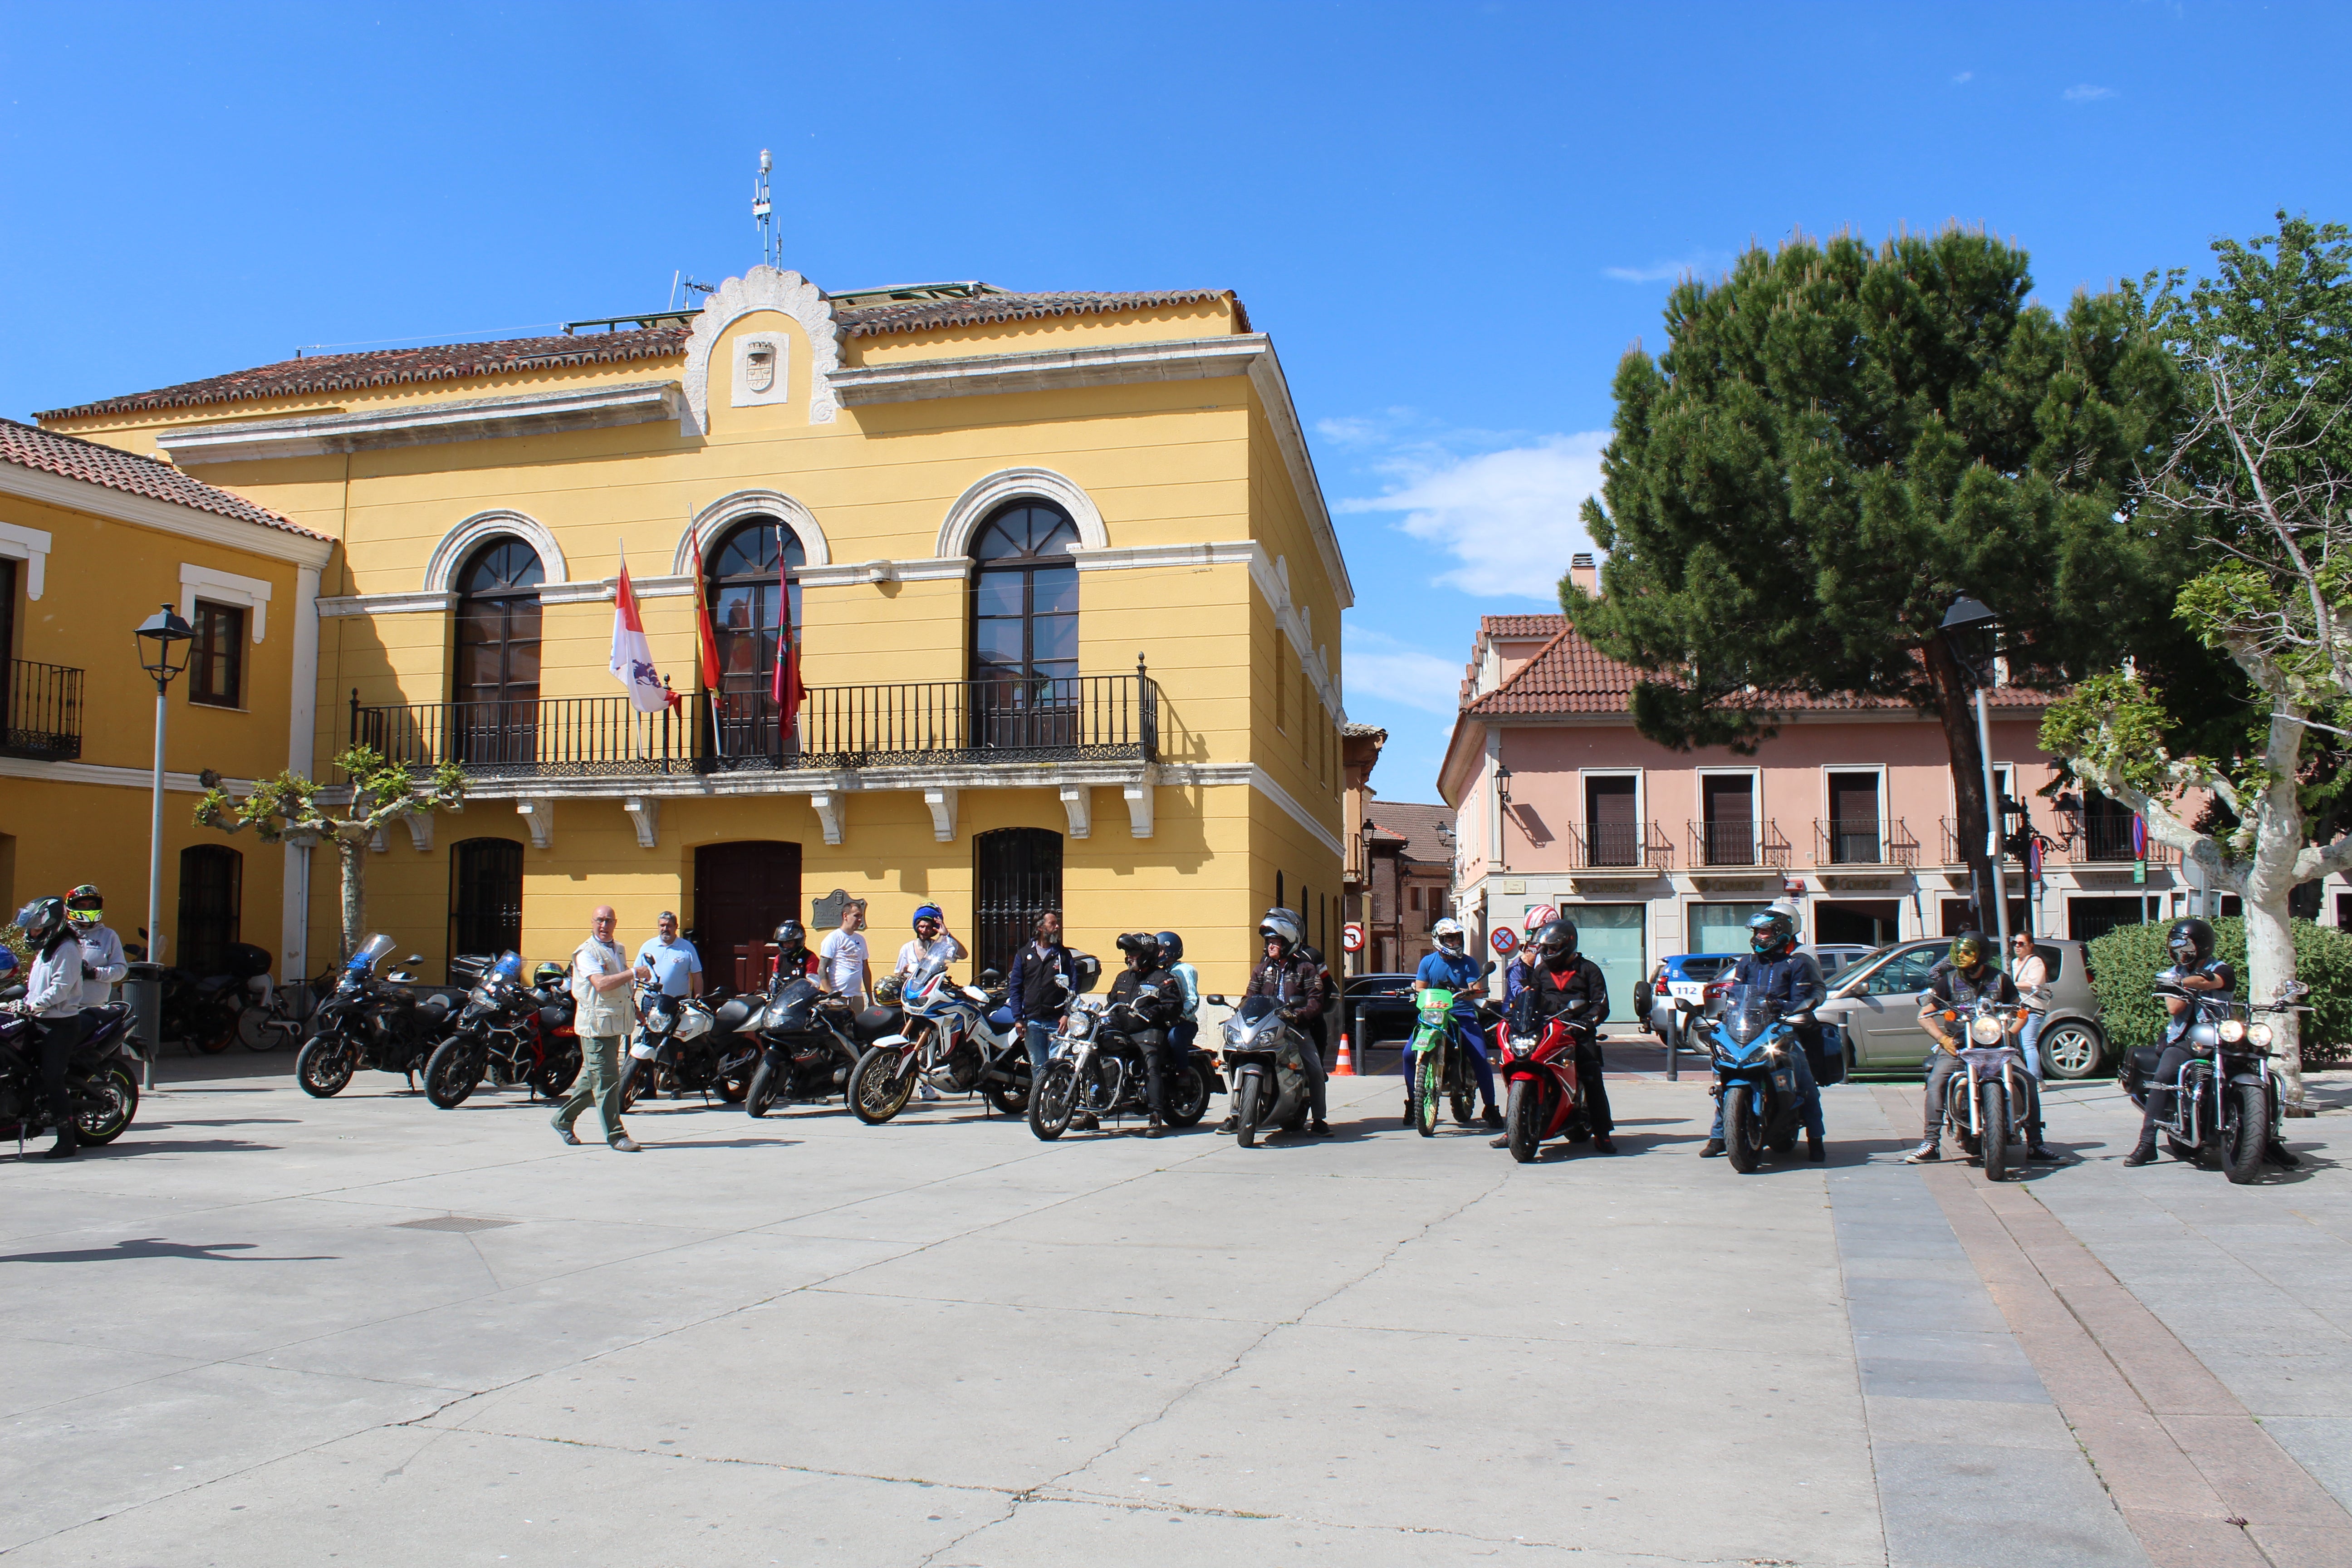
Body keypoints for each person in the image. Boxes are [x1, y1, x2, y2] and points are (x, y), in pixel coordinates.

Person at [2122, 917, 2295, 1168]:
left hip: (2223, 1035)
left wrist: (2183, 983)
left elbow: (2213, 981)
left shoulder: (2222, 968)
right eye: (2176, 946)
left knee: (2263, 1073)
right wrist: (2182, 983)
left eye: (2185, 947)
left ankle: (2269, 1140)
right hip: (2185, 1038)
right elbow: (2174, 1006)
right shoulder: (2171, 974)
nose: (2180, 953)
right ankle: (2147, 1143)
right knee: (2164, 1075)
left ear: (2201, 946)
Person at [1906, 931, 2050, 1163]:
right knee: (1936, 1081)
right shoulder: (1948, 980)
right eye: (1959, 951)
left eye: (1967, 951)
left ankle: (2036, 1143)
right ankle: (1931, 1143)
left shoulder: (2001, 979)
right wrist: (1944, 1040)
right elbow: (1925, 1015)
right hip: (1959, 1045)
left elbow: (2020, 1011)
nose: (1961, 956)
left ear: (1981, 954)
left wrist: (2010, 1034)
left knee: (2028, 1080)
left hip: (1998, 1046)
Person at [1699, 910, 1826, 1162]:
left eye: (1764, 932)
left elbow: (1801, 999)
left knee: (1806, 1082)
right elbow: (1736, 996)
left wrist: (1783, 1007)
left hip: (1782, 1029)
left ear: (1779, 933)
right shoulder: (1746, 963)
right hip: (1750, 1030)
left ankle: (1816, 1138)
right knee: (1725, 1078)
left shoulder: (1796, 963)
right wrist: (1726, 1013)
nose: (1758, 937)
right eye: (1756, 932)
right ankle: (1719, 1137)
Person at [1492, 919, 1617, 1154]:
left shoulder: (1589, 970)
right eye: (1544, 948)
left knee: (1591, 1075)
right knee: (1520, 1062)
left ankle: (1602, 1133)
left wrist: (1587, 1022)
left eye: (1551, 948)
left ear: (1566, 946)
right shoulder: (1541, 971)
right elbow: (1532, 1000)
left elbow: (1601, 1004)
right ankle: (1513, 1128)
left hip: (1576, 1031)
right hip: (1546, 1030)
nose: (1546, 953)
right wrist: (1516, 1014)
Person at [1230, 907, 1330, 1137]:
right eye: (1268, 942)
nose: (1270, 946)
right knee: (1236, 1056)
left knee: (1314, 1069)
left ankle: (1319, 1119)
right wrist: (1240, 1013)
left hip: (1296, 1029)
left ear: (1287, 943)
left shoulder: (1306, 969)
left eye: (1275, 941)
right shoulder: (1261, 970)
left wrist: (1298, 1015)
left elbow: (1316, 1001)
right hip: (1266, 1027)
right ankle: (1236, 1114)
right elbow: (1250, 996)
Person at [554, 906, 646, 1152]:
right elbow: (602, 984)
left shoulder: (619, 949)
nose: (604, 925)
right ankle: (617, 1136)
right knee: (607, 1082)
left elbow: (621, 985)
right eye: (600, 921)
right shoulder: (586, 953)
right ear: (592, 922)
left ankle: (562, 1120)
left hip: (614, 1023)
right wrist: (633, 973)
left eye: (609, 921)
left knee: (593, 1080)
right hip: (595, 1027)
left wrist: (635, 1008)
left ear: (616, 923)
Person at [1408, 916, 1501, 1129]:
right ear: (1439, 940)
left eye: (1458, 939)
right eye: (1450, 939)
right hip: (1434, 1016)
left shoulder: (1468, 963)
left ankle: (1491, 1108)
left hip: (1463, 1015)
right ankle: (1412, 1103)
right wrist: (1419, 992)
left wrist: (1468, 992)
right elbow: (1420, 987)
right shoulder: (1428, 962)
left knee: (1480, 1056)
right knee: (1406, 1054)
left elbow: (1473, 989)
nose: (1455, 943)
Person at [15, 897, 88, 1159]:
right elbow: (35, 986)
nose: (32, 933)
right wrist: (21, 1003)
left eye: (36, 928)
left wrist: (34, 1005)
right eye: (30, 928)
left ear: (52, 927)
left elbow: (61, 988)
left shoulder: (67, 949)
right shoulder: (46, 950)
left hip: (60, 1024)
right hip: (39, 1020)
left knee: (52, 1077)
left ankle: (67, 1140)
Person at [1108, 931, 1183, 1137]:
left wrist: (1154, 1011)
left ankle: (1156, 1117)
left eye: (1133, 951)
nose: (1129, 956)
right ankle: (1093, 1110)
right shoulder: (1123, 977)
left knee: (1150, 1063)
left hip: (1149, 1029)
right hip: (1123, 1029)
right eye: (1128, 952)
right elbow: (1112, 1001)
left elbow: (1175, 1006)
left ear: (1147, 953)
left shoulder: (1163, 979)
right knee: (1096, 1052)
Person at [894, 904, 968, 1101]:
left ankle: (925, 1086)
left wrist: (947, 934)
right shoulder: (907, 948)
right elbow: (898, 973)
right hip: (912, 1002)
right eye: (922, 926)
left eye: (929, 927)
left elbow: (963, 954)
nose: (925, 930)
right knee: (908, 1041)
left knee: (930, 1044)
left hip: (932, 1001)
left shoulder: (941, 946)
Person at [1007, 910, 1078, 1080]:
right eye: (1052, 924)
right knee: (1038, 1068)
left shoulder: (1063, 955)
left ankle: (1054, 1104)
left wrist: (1067, 1015)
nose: (1057, 927)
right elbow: (1015, 989)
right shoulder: (1024, 955)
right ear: (1040, 927)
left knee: (1056, 1067)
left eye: (1056, 923)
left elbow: (1074, 987)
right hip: (1033, 1022)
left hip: (1057, 1023)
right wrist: (1018, 1018)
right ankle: (1040, 1105)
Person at [64, 885, 127, 1012]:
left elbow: (121, 970)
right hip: (63, 1007)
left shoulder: (108, 936)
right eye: (82, 905)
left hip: (94, 1007)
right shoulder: (62, 935)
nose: (88, 909)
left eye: (92, 905)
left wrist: (94, 973)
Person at [635, 910, 703, 1000]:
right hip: (651, 1001)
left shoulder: (688, 948)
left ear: (676, 927)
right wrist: (632, 1000)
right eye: (662, 926)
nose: (665, 929)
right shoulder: (648, 946)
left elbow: (697, 975)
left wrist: (698, 998)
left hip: (678, 1002)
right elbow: (636, 974)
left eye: (669, 926)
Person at [818, 902, 872, 1008]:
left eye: (861, 916)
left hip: (857, 997)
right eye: (856, 916)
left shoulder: (861, 940)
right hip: (839, 997)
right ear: (845, 916)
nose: (860, 920)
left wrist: (870, 998)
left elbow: (865, 969)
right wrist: (831, 995)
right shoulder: (833, 938)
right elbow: (822, 969)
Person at [1160, 931, 1202, 1054]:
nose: (1157, 954)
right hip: (1163, 1020)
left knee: (1174, 1037)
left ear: (1170, 949)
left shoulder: (1185, 970)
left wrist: (1180, 1016)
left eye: (1160, 950)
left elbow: (1193, 1000)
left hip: (1185, 1022)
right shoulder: (1158, 972)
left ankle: (1183, 1071)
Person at [769, 918, 819, 985]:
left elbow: (814, 984)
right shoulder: (779, 958)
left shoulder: (810, 958)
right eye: (784, 943)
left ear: (798, 941)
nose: (786, 945)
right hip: (782, 994)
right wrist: (774, 985)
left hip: (802, 994)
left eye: (790, 943)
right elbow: (774, 978)